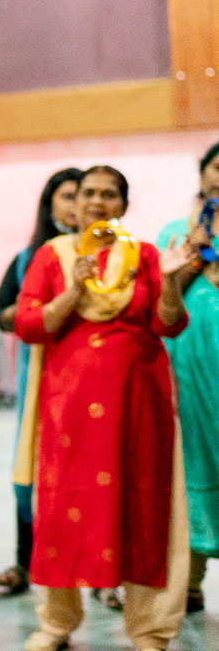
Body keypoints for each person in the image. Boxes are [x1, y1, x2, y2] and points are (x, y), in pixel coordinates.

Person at [15, 165, 194, 651]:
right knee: (62, 510)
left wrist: (171, 281)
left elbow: (169, 325)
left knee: (146, 507)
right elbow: (29, 325)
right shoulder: (53, 256)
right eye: (88, 193)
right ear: (73, 205)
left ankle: (151, 628)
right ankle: (56, 622)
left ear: (124, 205)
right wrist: (74, 289)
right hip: (69, 409)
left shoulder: (147, 255)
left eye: (109, 194)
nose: (97, 201)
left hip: (139, 405)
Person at [0, 167, 82, 597]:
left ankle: (99, 576)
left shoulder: (115, 256)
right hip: (39, 380)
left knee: (89, 470)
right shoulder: (29, 258)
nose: (78, 204)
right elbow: (2, 313)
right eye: (67, 196)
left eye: (85, 194)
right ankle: (27, 563)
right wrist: (29, 314)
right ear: (49, 205)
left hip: (93, 380)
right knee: (30, 466)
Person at [159, 141, 219, 615]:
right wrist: (196, 254)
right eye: (217, 167)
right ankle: (190, 580)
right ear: (202, 176)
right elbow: (161, 296)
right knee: (192, 466)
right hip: (190, 371)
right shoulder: (175, 234)